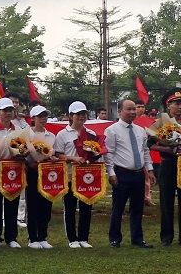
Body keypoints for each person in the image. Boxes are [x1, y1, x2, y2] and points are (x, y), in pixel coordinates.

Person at [105, 98, 153, 248]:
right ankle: (115, 238)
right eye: (129, 109)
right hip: (122, 173)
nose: (133, 112)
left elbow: (145, 151)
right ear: (119, 111)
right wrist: (111, 173)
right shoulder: (112, 130)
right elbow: (109, 154)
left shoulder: (140, 130)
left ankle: (137, 238)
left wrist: (150, 169)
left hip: (138, 173)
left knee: (138, 207)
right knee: (118, 207)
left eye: (134, 109)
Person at [54, 101, 97, 249]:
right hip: (70, 175)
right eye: (78, 114)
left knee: (87, 206)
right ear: (71, 116)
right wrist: (73, 159)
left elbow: (96, 152)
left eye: (83, 114)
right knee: (70, 207)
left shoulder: (91, 134)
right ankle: (72, 238)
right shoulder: (62, 134)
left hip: (87, 176)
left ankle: (84, 237)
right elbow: (58, 155)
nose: (81, 117)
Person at [0, 97, 23, 248]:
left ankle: (11, 237)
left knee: (12, 202)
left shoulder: (19, 130)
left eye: (10, 111)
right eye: (5, 111)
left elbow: (23, 149)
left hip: (13, 170)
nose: (8, 114)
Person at [23, 105, 56, 248]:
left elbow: (53, 154)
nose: (43, 119)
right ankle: (33, 238)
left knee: (46, 204)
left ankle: (43, 236)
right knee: (33, 204)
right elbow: (20, 153)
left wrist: (51, 158)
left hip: (47, 173)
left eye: (45, 116)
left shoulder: (51, 135)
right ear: (33, 118)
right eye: (40, 116)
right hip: (32, 172)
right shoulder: (25, 135)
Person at [153, 89, 181, 245]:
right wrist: (167, 149)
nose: (179, 107)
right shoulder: (163, 122)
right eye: (176, 103)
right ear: (168, 105)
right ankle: (166, 237)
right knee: (166, 201)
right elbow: (149, 145)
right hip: (168, 164)